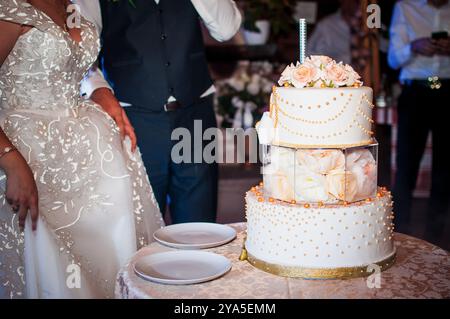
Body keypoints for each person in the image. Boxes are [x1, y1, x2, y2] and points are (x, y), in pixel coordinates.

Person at [0, 0, 163, 299]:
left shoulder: (73, 7)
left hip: (86, 151)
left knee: (110, 246)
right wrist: (11, 161)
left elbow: (76, 64)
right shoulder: (11, 9)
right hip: (30, 153)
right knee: (54, 265)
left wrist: (101, 91)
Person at [76, 0, 242, 224]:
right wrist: (97, 89)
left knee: (200, 227)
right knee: (143, 229)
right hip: (133, 119)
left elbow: (227, 28)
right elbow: (79, 52)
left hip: (195, 116)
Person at [388, 0, 450, 237]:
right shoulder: (406, 7)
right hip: (416, 93)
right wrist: (414, 46)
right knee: (406, 167)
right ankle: (399, 235)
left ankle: (436, 238)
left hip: (448, 92)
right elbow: (393, 59)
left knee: (445, 170)